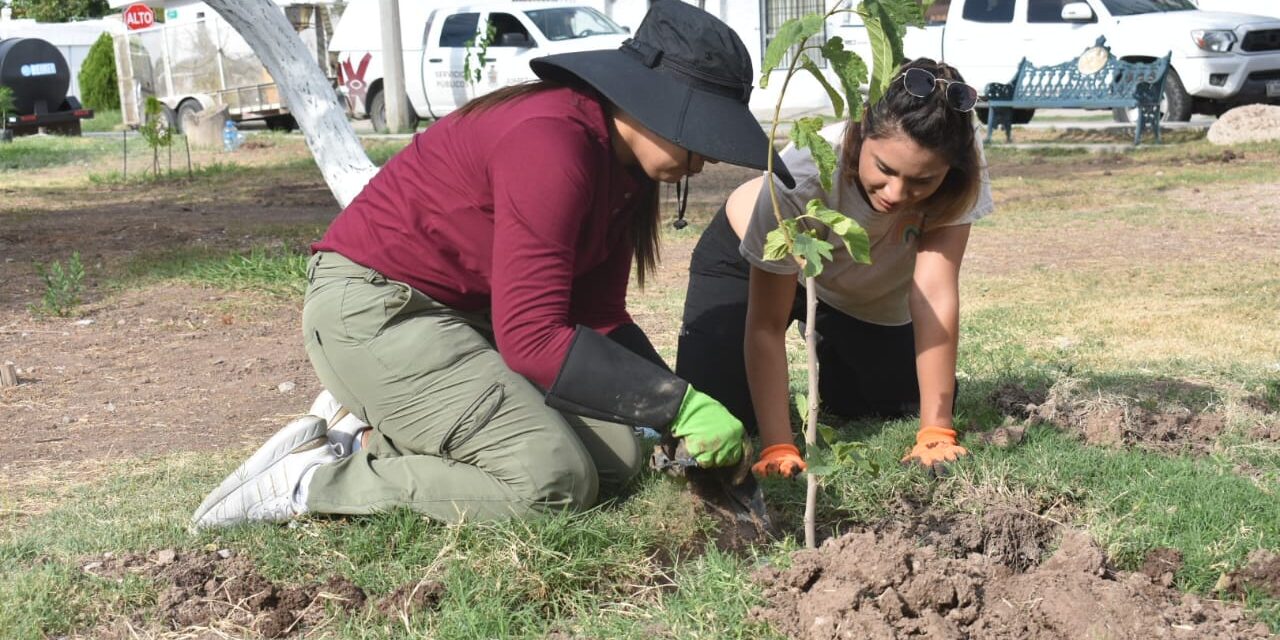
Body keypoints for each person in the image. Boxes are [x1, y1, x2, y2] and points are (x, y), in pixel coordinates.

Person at [191, 0, 794, 529]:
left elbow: (597, 316)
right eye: (699, 135)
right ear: (650, 102)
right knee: (551, 483)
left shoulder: (624, 168)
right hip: (377, 312)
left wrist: (673, 403)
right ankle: (308, 483)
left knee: (620, 458)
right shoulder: (550, 144)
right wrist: (679, 405)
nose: (702, 163)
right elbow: (531, 337)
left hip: (463, 323)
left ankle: (376, 433)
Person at [675, 59, 993, 478]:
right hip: (746, 255)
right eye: (884, 169)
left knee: (884, 403)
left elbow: (934, 291)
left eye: (921, 181)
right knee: (720, 419)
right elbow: (767, 325)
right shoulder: (803, 174)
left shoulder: (960, 164)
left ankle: (833, 343)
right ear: (861, 134)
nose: (897, 193)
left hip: (854, 289)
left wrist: (936, 430)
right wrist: (778, 445)